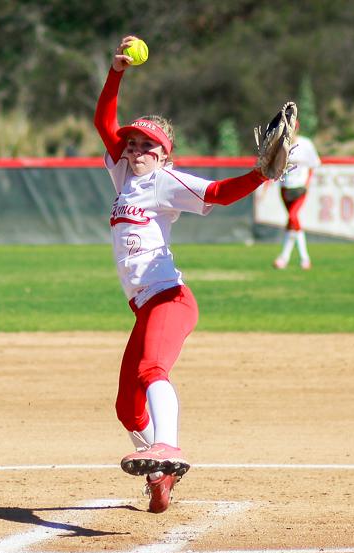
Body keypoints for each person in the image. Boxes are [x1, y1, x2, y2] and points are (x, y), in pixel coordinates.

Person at [94, 36, 271, 513]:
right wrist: (116, 72)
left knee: (153, 370)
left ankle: (167, 448)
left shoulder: (166, 181)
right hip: (144, 305)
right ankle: (159, 475)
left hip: (170, 299)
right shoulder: (124, 178)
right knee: (126, 408)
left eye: (145, 144)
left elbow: (218, 192)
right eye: (131, 144)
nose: (133, 149)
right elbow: (103, 122)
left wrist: (259, 175)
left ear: (163, 153)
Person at [273, 121, 321, 270]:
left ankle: (303, 258)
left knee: (293, 217)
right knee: (291, 222)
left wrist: (307, 183)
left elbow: (314, 165)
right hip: (285, 188)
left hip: (300, 188)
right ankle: (285, 258)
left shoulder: (306, 144)